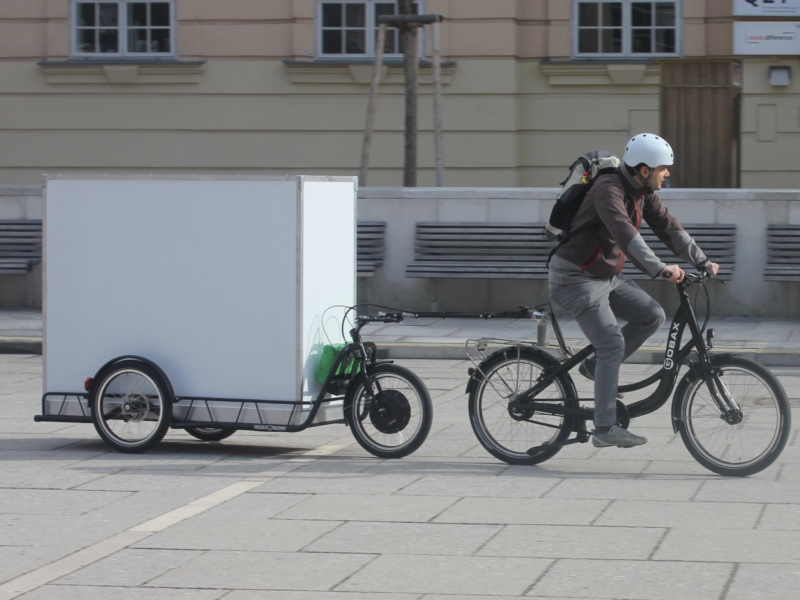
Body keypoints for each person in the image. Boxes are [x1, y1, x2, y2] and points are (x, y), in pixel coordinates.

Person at [547, 133, 719, 448]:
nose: (667, 173)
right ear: (643, 169)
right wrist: (661, 269)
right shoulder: (608, 190)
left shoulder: (642, 192)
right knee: (612, 343)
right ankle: (604, 427)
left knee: (651, 315)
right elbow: (626, 235)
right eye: (662, 168)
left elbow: (669, 227)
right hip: (574, 279)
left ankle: (595, 368)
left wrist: (702, 259)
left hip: (604, 277)